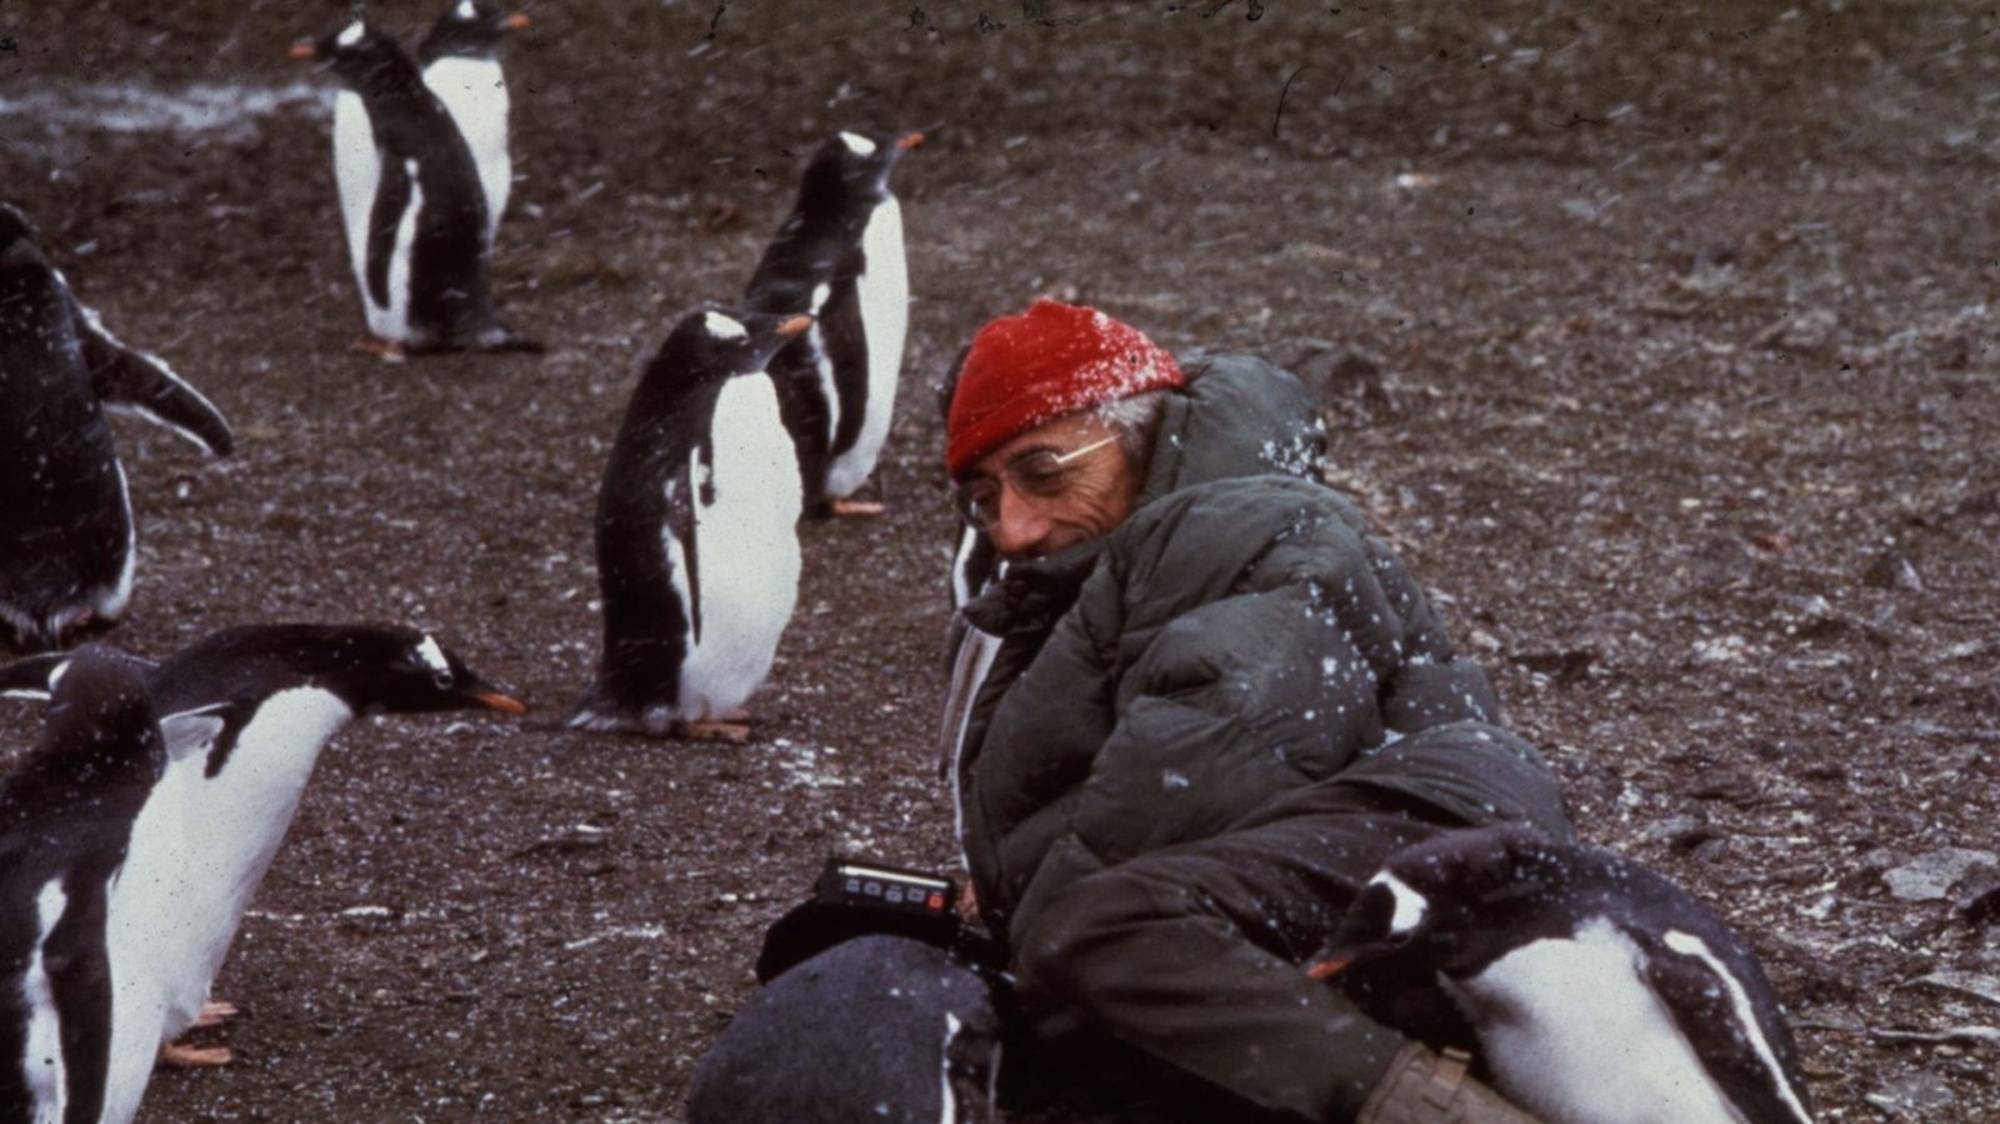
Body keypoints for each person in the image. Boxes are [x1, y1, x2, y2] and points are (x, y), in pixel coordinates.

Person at [934, 299, 1573, 1123]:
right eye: (985, 500)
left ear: (1137, 436)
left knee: (1101, 933)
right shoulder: (1112, 567)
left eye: (1045, 473)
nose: (1013, 529)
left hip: (1445, 837)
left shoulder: (1252, 529)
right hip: (1377, 847)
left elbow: (1189, 788)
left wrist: (1034, 969)